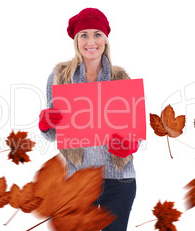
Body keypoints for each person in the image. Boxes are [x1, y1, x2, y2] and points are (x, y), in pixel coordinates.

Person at [38, 8, 140, 231]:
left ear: (105, 38)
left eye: (97, 34)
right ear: (76, 40)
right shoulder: (59, 77)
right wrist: (46, 124)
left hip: (119, 180)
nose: (91, 41)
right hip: (79, 181)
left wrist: (129, 145)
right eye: (84, 35)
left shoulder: (120, 77)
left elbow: (136, 133)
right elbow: (53, 133)